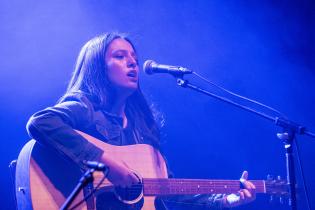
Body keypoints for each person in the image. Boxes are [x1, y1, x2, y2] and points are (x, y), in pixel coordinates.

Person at [26, 32, 256, 209]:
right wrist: (107, 164)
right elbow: (41, 122)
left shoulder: (142, 129)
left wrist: (224, 200)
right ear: (97, 67)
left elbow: (167, 189)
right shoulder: (86, 107)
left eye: (134, 58)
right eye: (120, 56)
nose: (133, 63)